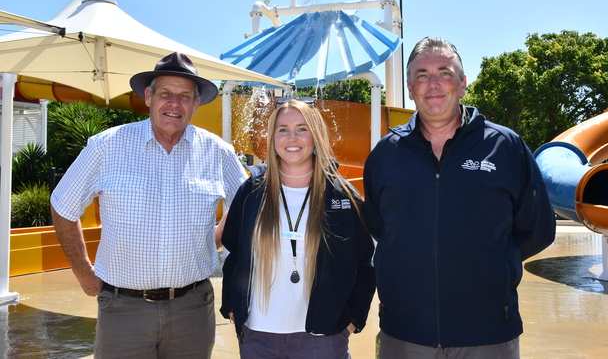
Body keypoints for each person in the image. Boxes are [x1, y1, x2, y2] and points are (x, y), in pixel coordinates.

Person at [363, 37, 556, 359]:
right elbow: (378, 226)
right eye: (422, 75)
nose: (433, 83)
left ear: (463, 84)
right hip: (404, 331)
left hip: (488, 331)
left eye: (445, 73)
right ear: (410, 88)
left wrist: (495, 265)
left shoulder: (505, 146)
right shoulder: (385, 154)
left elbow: (537, 229)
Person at [51, 52, 248, 359]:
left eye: (185, 96)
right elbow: (63, 205)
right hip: (123, 310)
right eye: (166, 94)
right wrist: (83, 271)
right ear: (148, 97)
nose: (175, 104)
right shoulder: (107, 146)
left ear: (196, 104)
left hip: (192, 309)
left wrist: (214, 238)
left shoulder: (218, 152)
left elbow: (247, 205)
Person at [221, 97, 376, 358]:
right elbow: (233, 252)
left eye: (302, 129)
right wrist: (232, 307)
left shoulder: (341, 195)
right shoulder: (252, 192)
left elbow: (364, 263)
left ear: (316, 136)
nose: (292, 138)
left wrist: (352, 320)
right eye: (283, 129)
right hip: (258, 336)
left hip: (324, 338)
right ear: (273, 137)